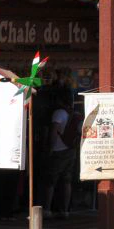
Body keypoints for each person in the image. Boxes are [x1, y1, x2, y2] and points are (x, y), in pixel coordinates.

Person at [42, 90, 77, 219]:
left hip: (58, 150)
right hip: (71, 150)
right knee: (67, 180)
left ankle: (47, 208)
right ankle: (65, 210)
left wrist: (50, 147)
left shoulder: (58, 113)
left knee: (51, 180)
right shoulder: (72, 113)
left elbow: (54, 132)